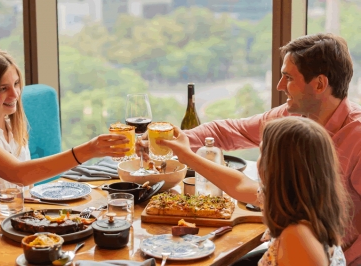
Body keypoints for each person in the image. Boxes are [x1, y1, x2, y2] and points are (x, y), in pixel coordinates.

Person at [137, 33, 361, 265]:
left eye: (288, 77)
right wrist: (178, 143)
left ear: (319, 84)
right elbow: (232, 139)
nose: (279, 86)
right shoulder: (291, 118)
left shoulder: (356, 137)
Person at [158, 117, 349, 265]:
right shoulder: (297, 201)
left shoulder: (297, 236)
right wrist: (187, 156)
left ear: (277, 168)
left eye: (262, 152)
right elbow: (238, 184)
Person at [0, 47, 129, 199]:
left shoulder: (11, 126)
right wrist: (89, 150)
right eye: (3, 88)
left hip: (17, 220)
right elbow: (19, 175)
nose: (15, 94)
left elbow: (26, 189)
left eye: (16, 84)